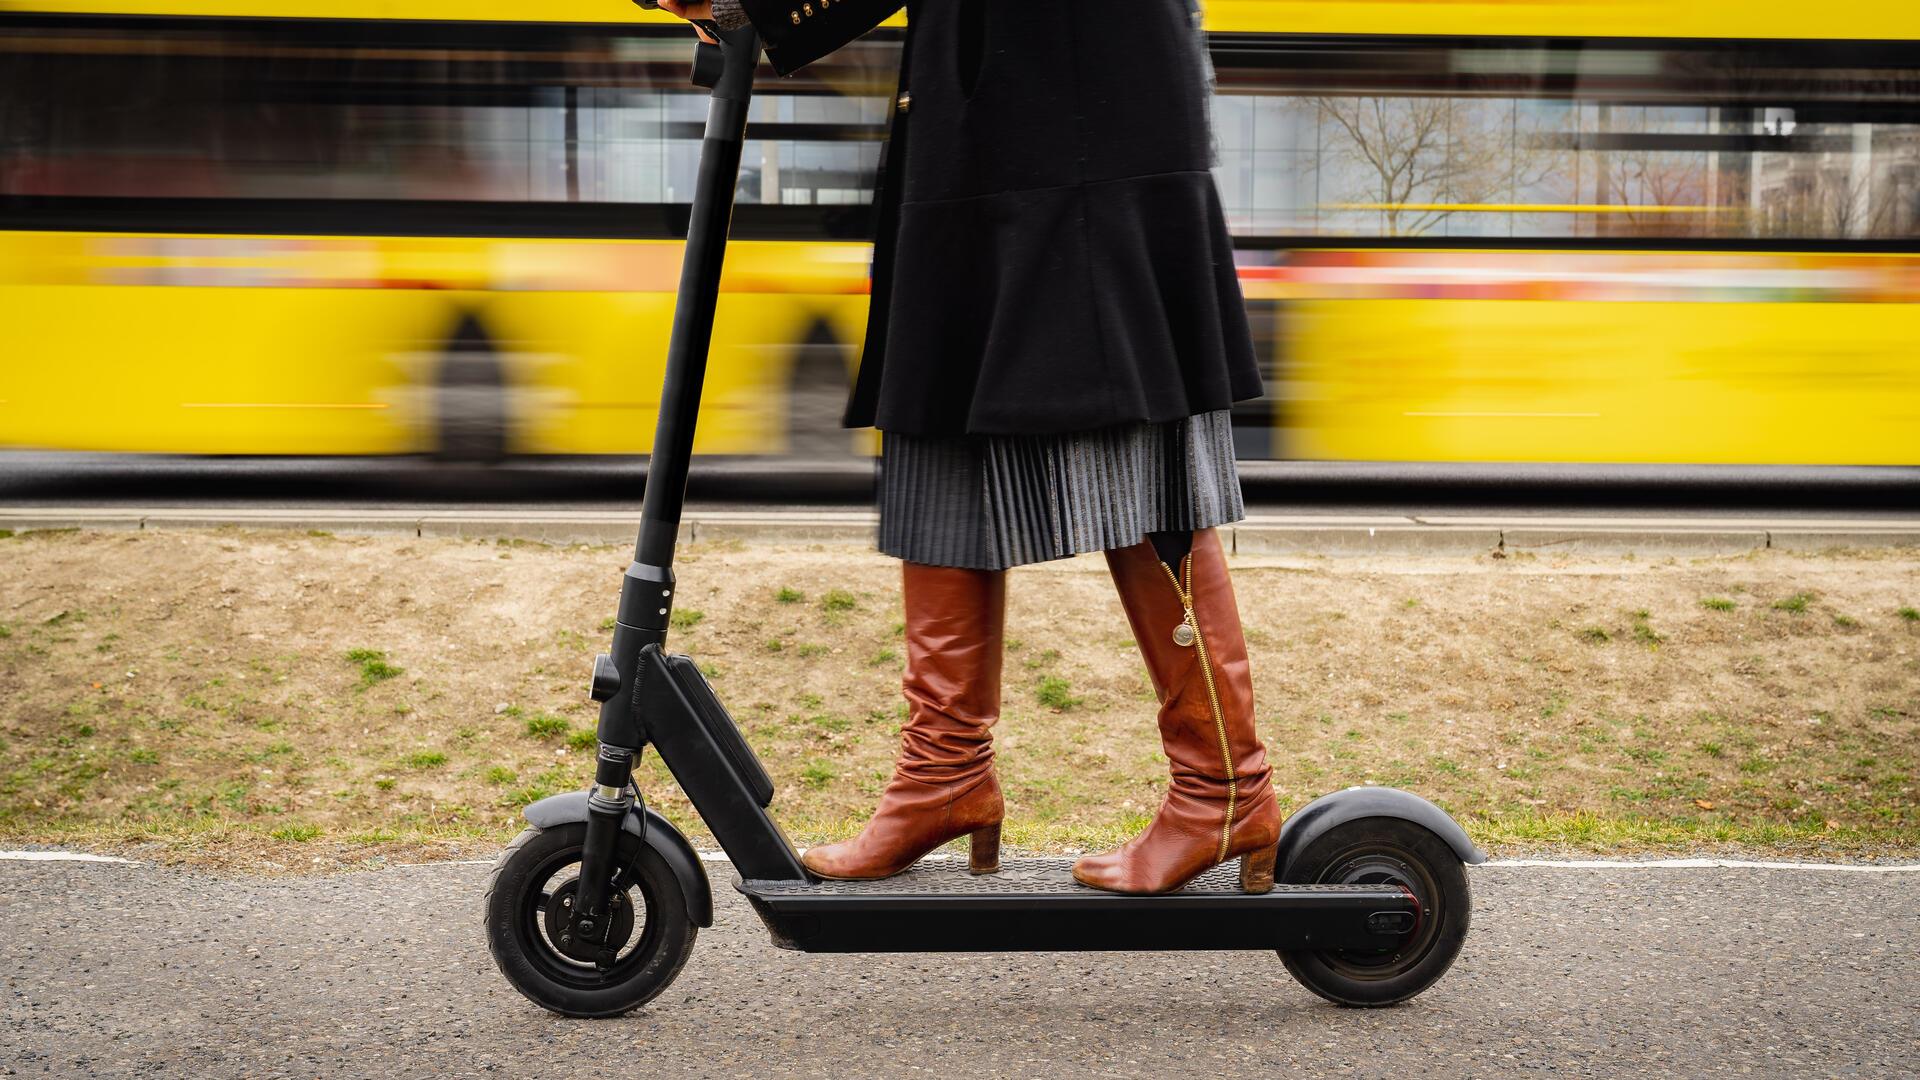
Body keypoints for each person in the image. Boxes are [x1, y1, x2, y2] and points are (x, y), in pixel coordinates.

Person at [657, 0, 1278, 895]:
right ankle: (942, 775)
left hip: (1085, 109)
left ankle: (1223, 784)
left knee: (1134, 439)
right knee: (934, 404)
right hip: (979, 105)